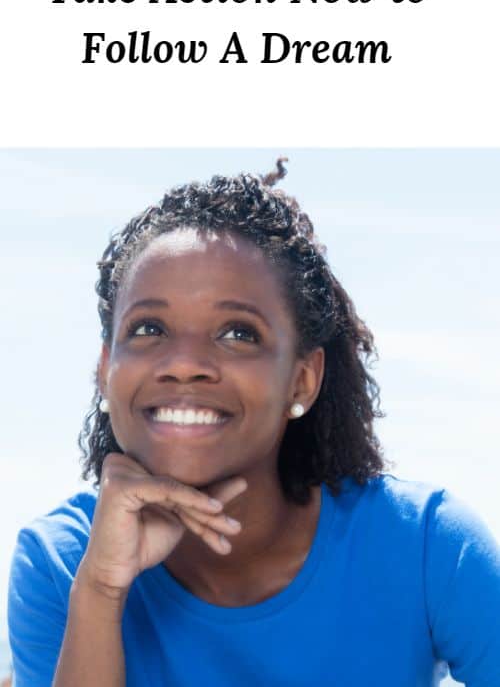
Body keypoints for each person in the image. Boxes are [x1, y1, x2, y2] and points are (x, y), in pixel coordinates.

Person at [7, 160, 500, 686]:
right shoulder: (60, 564)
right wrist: (102, 591)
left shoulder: (428, 546)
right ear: (107, 371)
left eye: (238, 334)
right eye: (149, 328)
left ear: (302, 381)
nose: (184, 363)